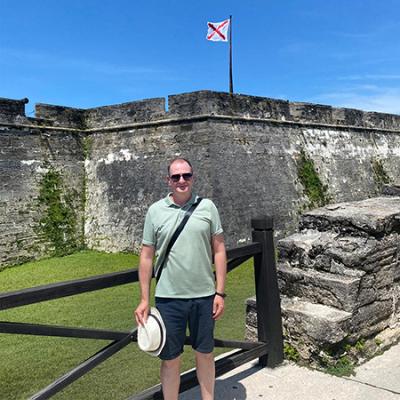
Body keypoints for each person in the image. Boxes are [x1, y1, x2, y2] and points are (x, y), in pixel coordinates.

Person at [134, 157, 227, 400]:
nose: (181, 180)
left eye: (186, 175)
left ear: (193, 177)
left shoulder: (208, 207)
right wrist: (144, 299)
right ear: (168, 181)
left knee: (205, 354)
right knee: (170, 359)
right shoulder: (155, 211)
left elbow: (219, 250)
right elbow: (146, 257)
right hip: (168, 298)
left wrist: (220, 292)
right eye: (176, 177)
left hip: (204, 296)